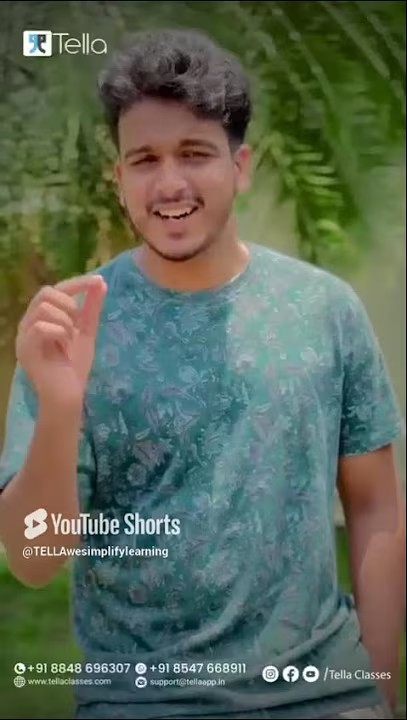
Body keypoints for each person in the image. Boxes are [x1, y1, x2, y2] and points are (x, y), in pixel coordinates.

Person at [0, 28, 405, 720]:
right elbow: (34, 560)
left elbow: (373, 504)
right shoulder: (71, 328)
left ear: (240, 166)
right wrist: (62, 406)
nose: (170, 184)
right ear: (118, 178)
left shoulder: (325, 309)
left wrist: (380, 685)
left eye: (194, 153)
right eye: (144, 160)